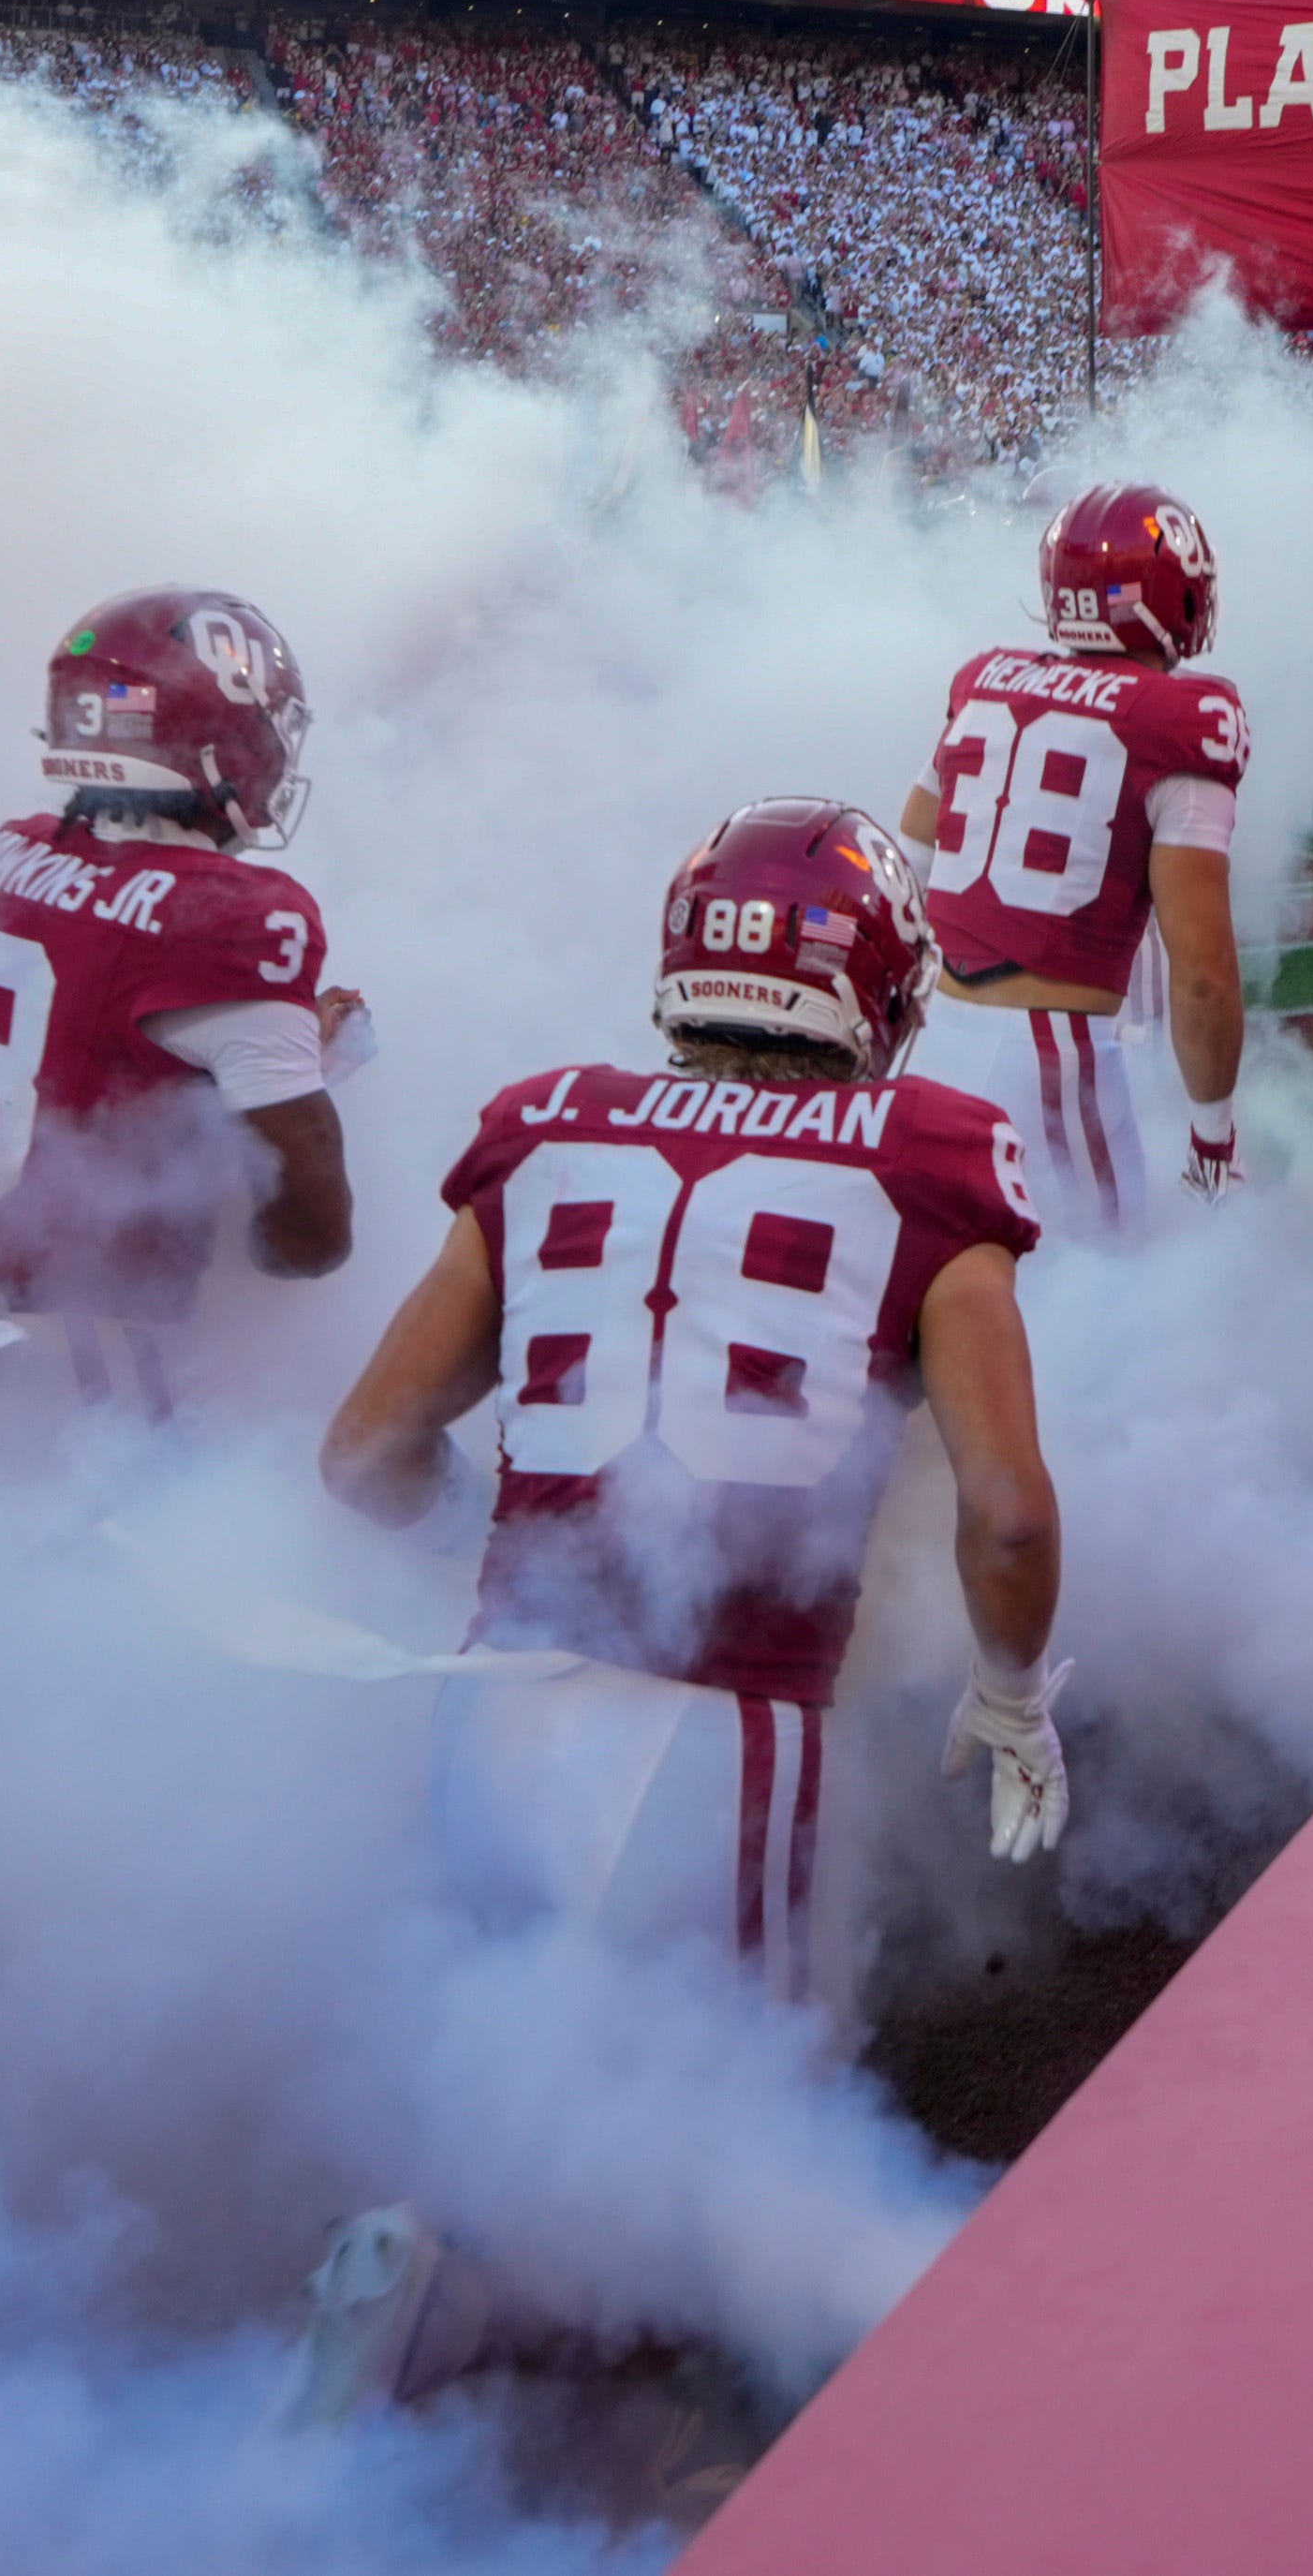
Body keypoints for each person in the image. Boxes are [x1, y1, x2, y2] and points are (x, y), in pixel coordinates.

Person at [318, 798, 1056, 1997]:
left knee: (487, 2082)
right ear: (872, 985)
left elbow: (362, 1453)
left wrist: (495, 1549)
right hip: (717, 1736)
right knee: (723, 2123)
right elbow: (1010, 1511)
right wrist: (1014, 1695)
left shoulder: (543, 1121)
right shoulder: (931, 1150)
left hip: (493, 1693)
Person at [0, 587, 362, 1411]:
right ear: (221, 743)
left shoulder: (12, 850)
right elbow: (307, 1244)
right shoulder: (237, 917)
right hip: (95, 1360)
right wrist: (277, 1082)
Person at [901, 481, 1251, 1234]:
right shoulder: (1185, 720)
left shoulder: (984, 681)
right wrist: (1212, 1134)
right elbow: (1201, 979)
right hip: (1046, 1050)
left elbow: (912, 853)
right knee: (1102, 1303)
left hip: (929, 1037)